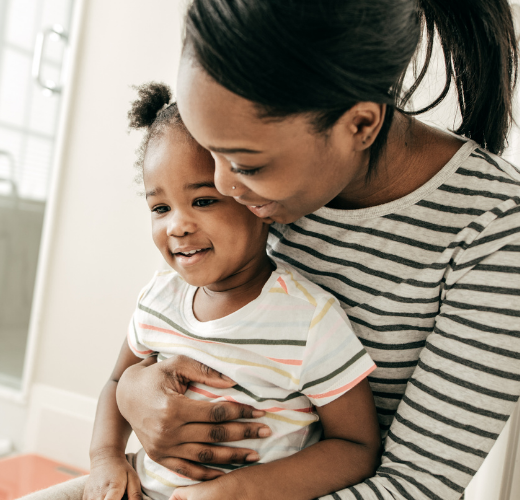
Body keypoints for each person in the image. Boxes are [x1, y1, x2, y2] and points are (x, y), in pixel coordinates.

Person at [24, 0, 520, 498]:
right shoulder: (255, 184)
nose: (223, 187)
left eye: (246, 165)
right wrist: (131, 395)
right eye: (210, 152)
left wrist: (230, 494)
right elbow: (185, 332)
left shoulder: (503, 225)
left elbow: (414, 486)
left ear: (360, 124)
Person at [83, 82, 382, 500]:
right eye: (160, 208)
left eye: (203, 201)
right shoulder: (158, 298)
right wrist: (106, 458)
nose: (177, 226)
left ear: (261, 204)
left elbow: (357, 449)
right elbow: (117, 381)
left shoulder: (309, 318)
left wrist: (241, 491)